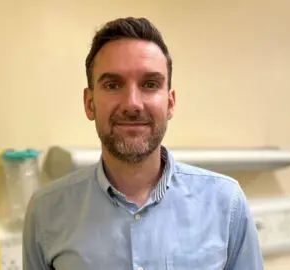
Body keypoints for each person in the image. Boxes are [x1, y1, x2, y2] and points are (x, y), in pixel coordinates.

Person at [23, 17, 264, 270]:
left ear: (170, 103)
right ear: (89, 103)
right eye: (113, 85)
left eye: (150, 85)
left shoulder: (226, 204)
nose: (132, 104)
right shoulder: (46, 212)